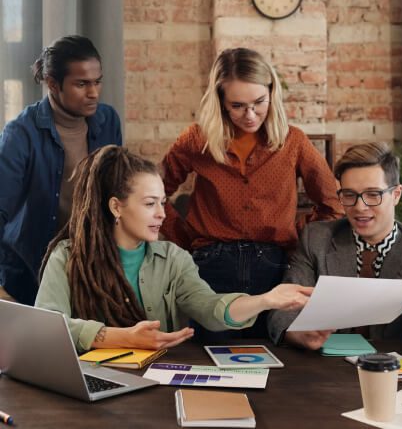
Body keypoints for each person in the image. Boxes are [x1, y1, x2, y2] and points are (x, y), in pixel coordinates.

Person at [35, 145, 312, 353]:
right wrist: (122, 337)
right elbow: (47, 327)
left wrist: (266, 300)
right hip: (91, 383)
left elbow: (210, 307)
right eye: (149, 203)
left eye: (163, 202)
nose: (162, 214)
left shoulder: (174, 259)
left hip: (158, 385)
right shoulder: (68, 257)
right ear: (116, 206)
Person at [161, 47, 343, 340]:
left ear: (272, 92)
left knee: (273, 359)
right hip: (210, 268)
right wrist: (185, 238)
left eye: (259, 102)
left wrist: (294, 232)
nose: (250, 115)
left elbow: (332, 205)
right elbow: (156, 194)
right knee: (210, 358)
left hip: (272, 267)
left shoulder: (294, 142)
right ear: (220, 101)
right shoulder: (196, 140)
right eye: (237, 106)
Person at [267, 141, 402, 351]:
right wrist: (298, 333)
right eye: (349, 195)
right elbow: (282, 311)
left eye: (373, 195)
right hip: (324, 366)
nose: (360, 207)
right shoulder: (316, 238)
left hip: (392, 369)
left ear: (396, 194)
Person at [0, 35, 122, 305]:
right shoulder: (20, 133)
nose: (94, 93)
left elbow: (116, 190)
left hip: (91, 267)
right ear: (53, 84)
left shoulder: (109, 120)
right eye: (81, 84)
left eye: (97, 81)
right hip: (29, 271)